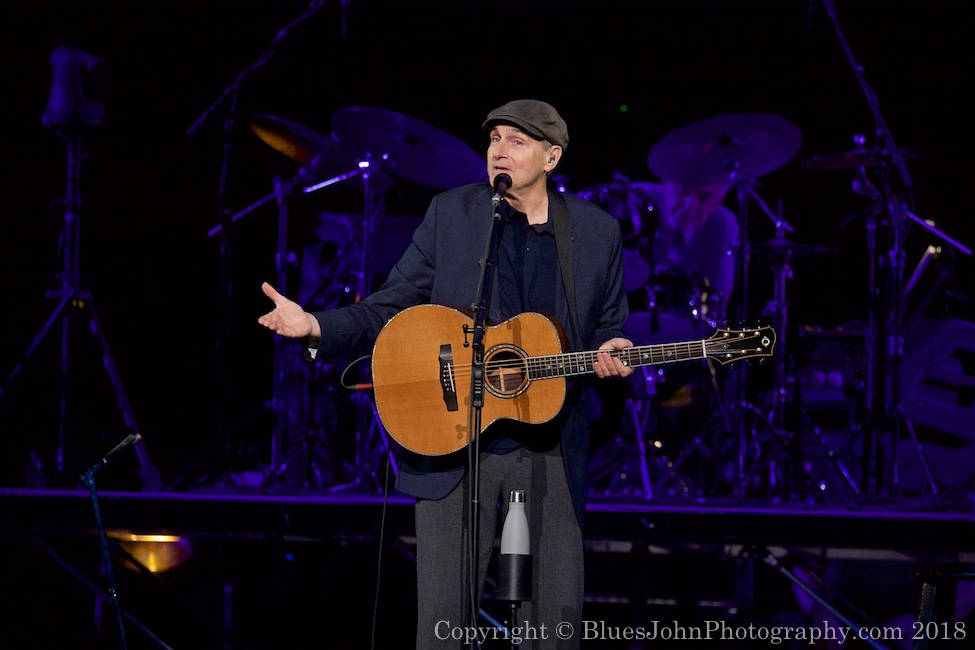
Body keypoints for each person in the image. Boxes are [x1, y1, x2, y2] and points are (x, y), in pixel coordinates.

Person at [257, 99, 634, 648]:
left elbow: (608, 324)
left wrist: (611, 347)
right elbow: (391, 305)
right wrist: (316, 325)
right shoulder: (453, 214)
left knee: (550, 628)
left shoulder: (597, 233)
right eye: (494, 139)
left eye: (517, 141)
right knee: (443, 631)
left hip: (549, 452)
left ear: (552, 157)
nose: (499, 150)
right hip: (455, 447)